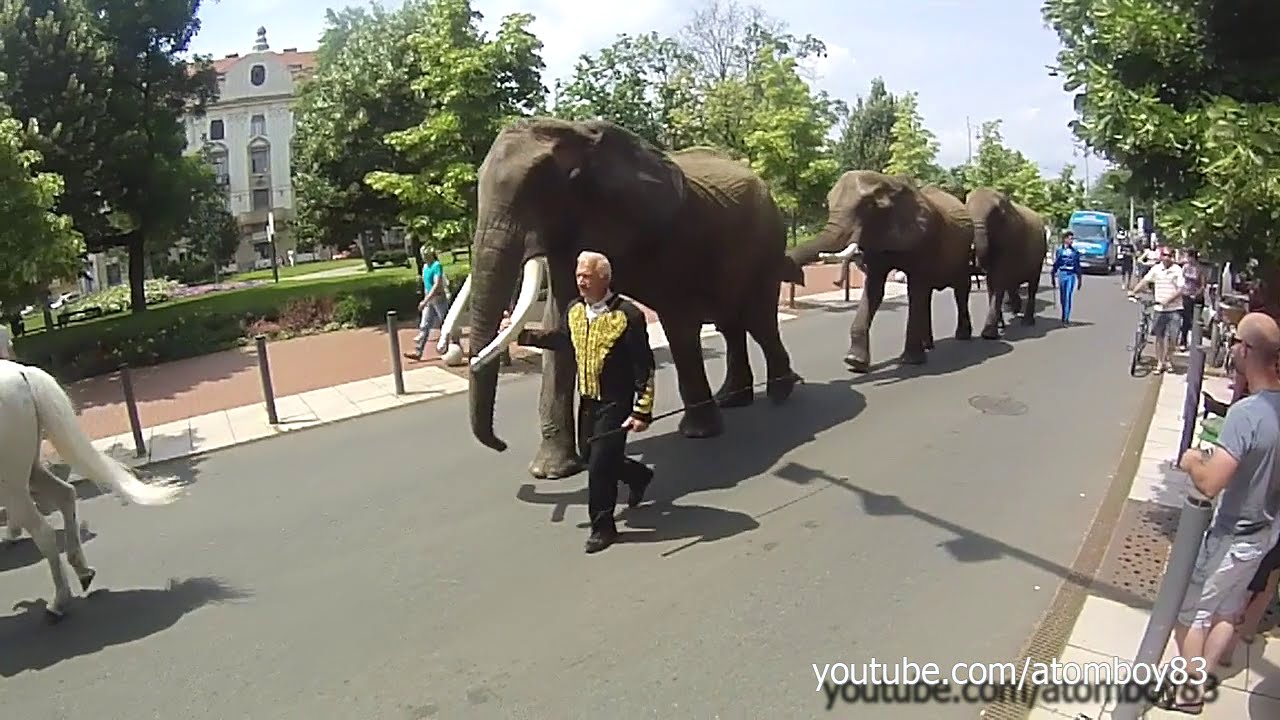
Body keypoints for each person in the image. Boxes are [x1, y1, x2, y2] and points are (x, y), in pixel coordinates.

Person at [1160, 312, 1280, 714]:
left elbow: (1211, 482)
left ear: (1246, 351)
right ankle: (1201, 681)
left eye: (1233, 341)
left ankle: (1190, 691)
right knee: (1226, 610)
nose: (1230, 348)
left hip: (1232, 534)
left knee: (1187, 613)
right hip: (1265, 533)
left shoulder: (1246, 414)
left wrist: (1193, 460)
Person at [505, 251, 656, 553]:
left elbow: (644, 366)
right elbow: (564, 339)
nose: (581, 282)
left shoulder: (627, 315)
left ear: (604, 277)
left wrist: (642, 410)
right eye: (578, 276)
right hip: (588, 399)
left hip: (616, 402)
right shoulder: (575, 310)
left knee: (599, 467)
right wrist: (524, 336)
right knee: (589, 455)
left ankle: (603, 528)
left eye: (587, 276)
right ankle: (638, 475)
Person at [1129, 247, 1185, 373]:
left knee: (1173, 338)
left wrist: (1169, 300)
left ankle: (1168, 359)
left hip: (1174, 308)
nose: (1166, 258)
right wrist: (1133, 291)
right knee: (1159, 337)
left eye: (1169, 255)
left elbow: (1181, 289)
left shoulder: (1177, 270)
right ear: (1161, 256)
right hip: (1159, 308)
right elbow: (1145, 281)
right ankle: (1160, 362)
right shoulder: (1156, 269)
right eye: (1164, 255)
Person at [405, 248, 450, 361]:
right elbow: (426, 285)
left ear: (431, 254)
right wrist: (425, 300)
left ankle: (452, 347)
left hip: (439, 298)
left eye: (425, 254)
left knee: (446, 324)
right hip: (429, 300)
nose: (424, 256)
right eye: (422, 254)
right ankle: (418, 351)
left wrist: (425, 301)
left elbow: (437, 284)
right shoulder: (425, 267)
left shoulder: (436, 266)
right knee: (424, 325)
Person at [1050, 231, 1083, 325]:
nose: (1071, 240)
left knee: (1068, 296)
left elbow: (1078, 267)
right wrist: (1053, 275)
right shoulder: (1060, 251)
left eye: (1072, 238)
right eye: (1070, 238)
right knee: (1063, 297)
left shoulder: (1075, 252)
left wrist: (1080, 279)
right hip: (1062, 274)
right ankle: (1064, 315)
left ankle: (1066, 319)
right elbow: (1056, 264)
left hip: (1071, 275)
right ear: (1065, 239)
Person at [1180, 249, 1206, 350]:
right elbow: (1181, 280)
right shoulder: (1185, 267)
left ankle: (1195, 342)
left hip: (1196, 297)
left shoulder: (1199, 269)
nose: (1188, 260)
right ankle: (1183, 341)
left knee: (1195, 321)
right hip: (1186, 295)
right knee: (1186, 320)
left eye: (1189, 257)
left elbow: (1203, 285)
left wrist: (1197, 294)